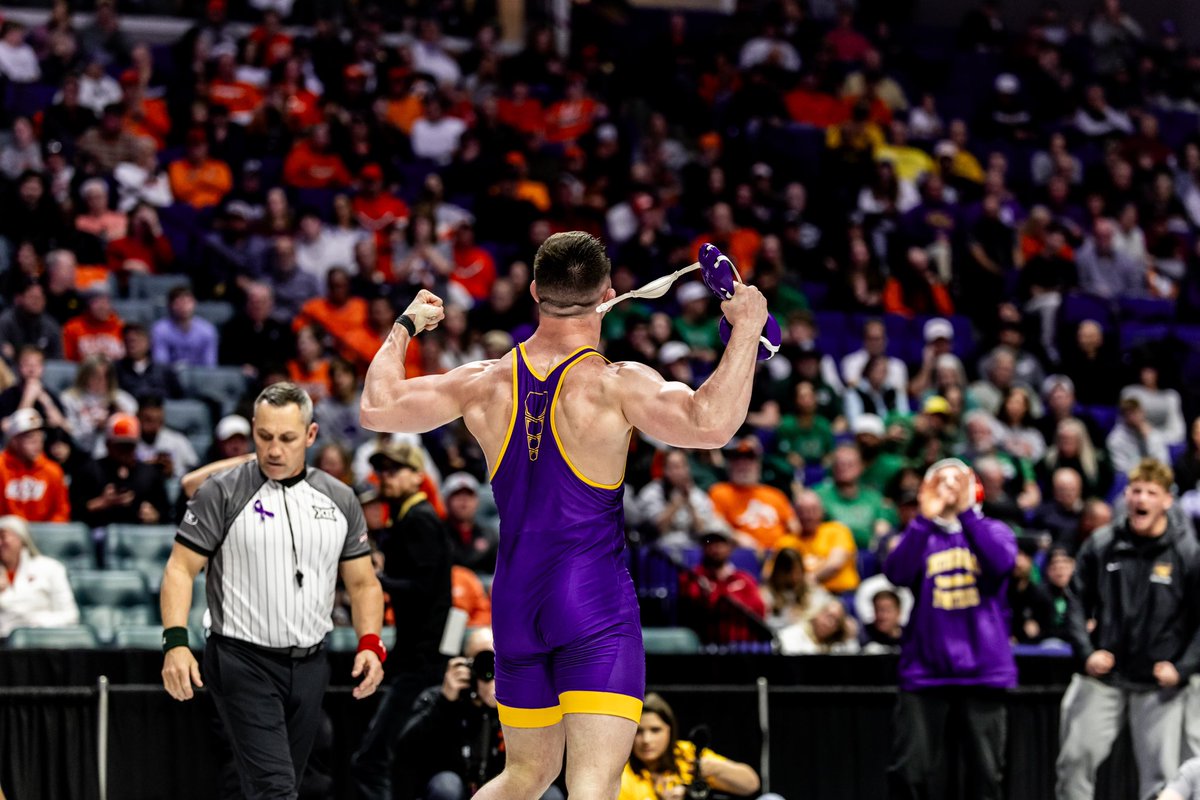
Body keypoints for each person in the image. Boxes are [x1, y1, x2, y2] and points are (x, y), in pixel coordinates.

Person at [360, 231, 768, 800]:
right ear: (608, 294)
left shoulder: (484, 381)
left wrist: (404, 326)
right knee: (592, 784)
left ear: (533, 291)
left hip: (515, 602)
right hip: (592, 601)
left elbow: (377, 407)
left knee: (524, 776)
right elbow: (712, 423)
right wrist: (747, 328)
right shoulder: (615, 383)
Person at [159, 383, 386, 799]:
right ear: (253, 431)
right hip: (241, 660)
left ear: (311, 435)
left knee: (280, 786)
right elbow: (179, 568)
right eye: (264, 437)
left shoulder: (340, 499)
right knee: (276, 790)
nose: (274, 450)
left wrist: (370, 643)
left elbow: (363, 583)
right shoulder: (222, 491)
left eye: (287, 438)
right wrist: (175, 642)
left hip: (311, 665)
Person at [1056, 458, 1200, 800]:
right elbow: (1075, 600)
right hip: (1104, 676)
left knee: (1162, 778)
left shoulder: (1187, 551)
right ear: (1126, 496)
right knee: (1074, 761)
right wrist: (1086, 653)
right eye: (1136, 491)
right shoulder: (1102, 543)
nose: (1141, 499)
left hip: (1159, 684)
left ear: (1167, 500)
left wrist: (1182, 668)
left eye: (1151, 492)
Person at [883, 459, 1017, 800]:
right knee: (909, 772)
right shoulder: (919, 534)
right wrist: (923, 519)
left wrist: (966, 514)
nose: (949, 489)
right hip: (925, 671)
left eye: (957, 481)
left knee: (986, 777)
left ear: (974, 488)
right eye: (940, 482)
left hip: (983, 670)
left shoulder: (995, 530)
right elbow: (897, 573)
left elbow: (1001, 563)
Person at [352, 442, 453, 800]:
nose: (385, 477)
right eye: (382, 471)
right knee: (397, 758)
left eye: (395, 470)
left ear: (417, 476)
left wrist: (377, 580)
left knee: (374, 759)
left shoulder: (419, 519)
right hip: (415, 657)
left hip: (420, 662)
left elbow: (425, 588)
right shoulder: (406, 518)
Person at [398, 628, 565, 800]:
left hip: (508, 790)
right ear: (467, 666)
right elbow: (406, 752)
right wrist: (445, 702)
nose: (494, 670)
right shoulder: (440, 697)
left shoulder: (523, 700)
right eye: (485, 661)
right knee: (446, 786)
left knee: (550, 794)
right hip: (458, 790)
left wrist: (514, 701)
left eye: (501, 660)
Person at [620, 693, 763, 800]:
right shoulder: (619, 767)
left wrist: (713, 769)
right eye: (638, 731)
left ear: (670, 730)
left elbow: (751, 785)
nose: (646, 740)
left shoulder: (687, 753)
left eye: (655, 730)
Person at [0, 514, 79, 638]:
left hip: (44, 639)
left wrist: (34, 621)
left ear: (21, 538)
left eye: (3, 536)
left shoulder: (51, 568)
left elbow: (71, 616)